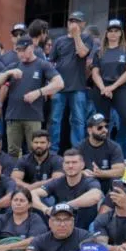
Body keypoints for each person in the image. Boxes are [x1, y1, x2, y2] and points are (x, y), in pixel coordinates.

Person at [0, 38, 63, 158]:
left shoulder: (42, 64)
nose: (20, 54)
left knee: (35, 150)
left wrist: (39, 92)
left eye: (23, 50)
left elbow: (59, 83)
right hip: (13, 115)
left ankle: (33, 176)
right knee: (12, 151)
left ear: (31, 48)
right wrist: (8, 73)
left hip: (33, 116)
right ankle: (14, 175)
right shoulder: (14, 66)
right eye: (18, 51)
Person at [91, 19, 126, 151]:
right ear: (106, 33)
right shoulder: (99, 51)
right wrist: (103, 88)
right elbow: (95, 72)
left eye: (116, 31)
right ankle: (103, 151)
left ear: (121, 33)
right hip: (102, 89)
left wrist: (112, 87)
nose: (113, 34)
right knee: (102, 122)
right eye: (110, 31)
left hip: (120, 88)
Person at [48, 11, 95, 152]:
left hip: (78, 87)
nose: (73, 24)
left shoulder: (87, 37)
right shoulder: (59, 41)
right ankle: (53, 151)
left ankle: (77, 151)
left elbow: (82, 53)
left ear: (83, 24)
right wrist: (50, 86)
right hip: (59, 88)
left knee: (78, 121)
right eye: (71, 21)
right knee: (55, 121)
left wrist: (76, 36)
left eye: (77, 21)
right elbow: (50, 63)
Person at [30, 149, 103, 229]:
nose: (70, 166)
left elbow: (95, 196)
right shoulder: (58, 181)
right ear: (63, 165)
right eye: (67, 163)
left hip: (84, 230)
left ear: (82, 165)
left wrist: (64, 206)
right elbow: (32, 194)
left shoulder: (89, 181)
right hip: (61, 227)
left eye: (74, 162)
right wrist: (45, 209)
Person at [78, 113, 125, 194]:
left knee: (116, 181)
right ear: (89, 131)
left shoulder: (114, 147)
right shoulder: (80, 147)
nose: (105, 130)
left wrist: (100, 173)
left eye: (106, 127)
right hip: (89, 184)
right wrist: (82, 172)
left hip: (108, 183)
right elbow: (70, 168)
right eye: (100, 128)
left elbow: (120, 171)